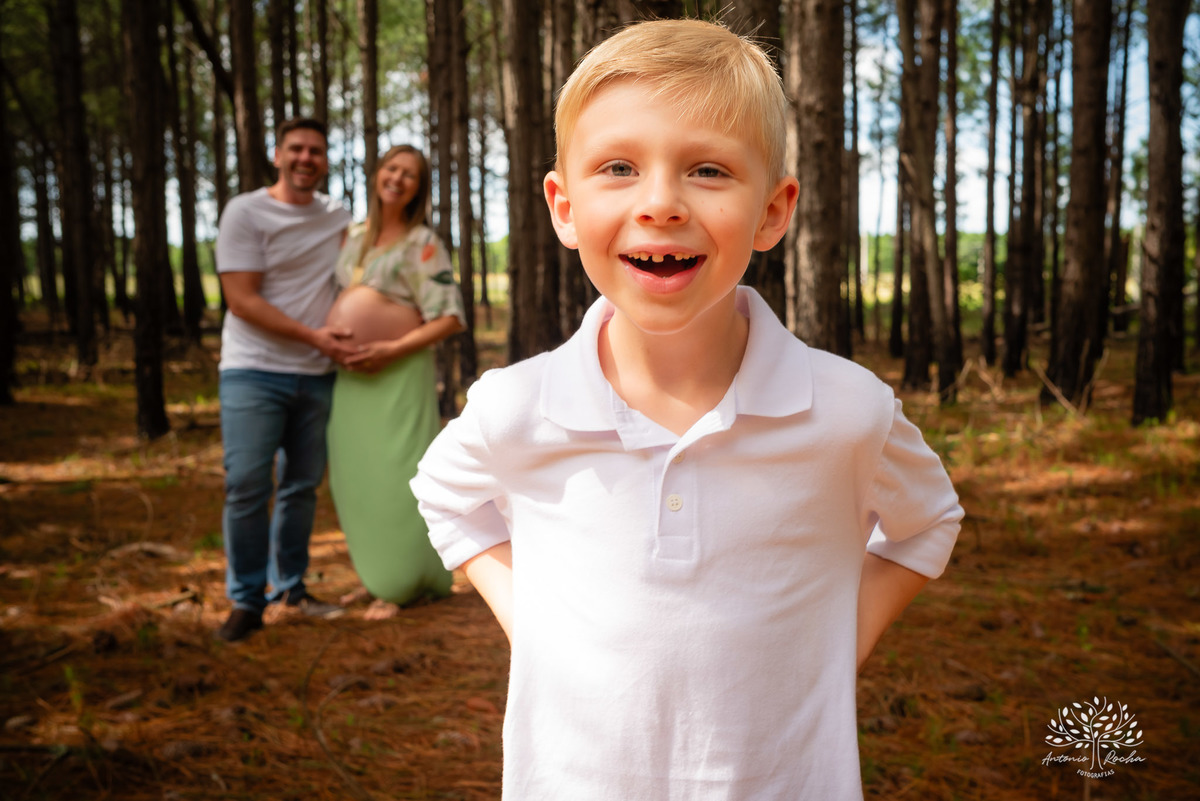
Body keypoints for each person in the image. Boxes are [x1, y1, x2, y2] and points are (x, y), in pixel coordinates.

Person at [410, 19, 964, 800]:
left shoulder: (847, 411)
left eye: (707, 169)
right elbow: (443, 492)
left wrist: (838, 640)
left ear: (774, 211)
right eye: (618, 167)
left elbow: (928, 519)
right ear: (563, 207)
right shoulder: (517, 404)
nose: (661, 203)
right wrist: (527, 618)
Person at [214, 117, 355, 643]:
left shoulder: (338, 217)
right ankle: (246, 600)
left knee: (300, 486)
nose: (305, 158)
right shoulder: (245, 212)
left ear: (324, 161)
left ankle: (291, 589)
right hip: (253, 370)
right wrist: (315, 337)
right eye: (295, 148)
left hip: (317, 376)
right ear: (277, 155)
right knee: (247, 484)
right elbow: (241, 300)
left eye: (316, 151)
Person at [325, 145, 466, 611]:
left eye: (409, 174)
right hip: (353, 378)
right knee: (357, 477)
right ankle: (376, 574)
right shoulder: (356, 235)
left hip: (398, 372)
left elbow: (448, 317)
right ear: (377, 174)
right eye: (391, 168)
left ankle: (405, 581)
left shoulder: (423, 242)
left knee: (398, 475)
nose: (397, 178)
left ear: (418, 189)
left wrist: (389, 349)